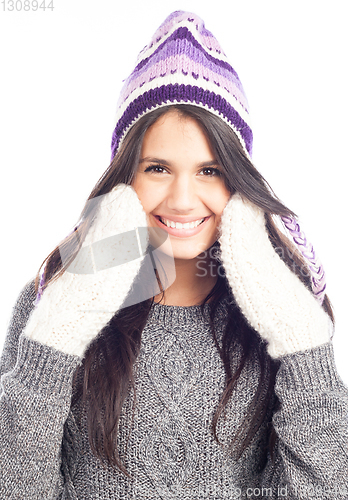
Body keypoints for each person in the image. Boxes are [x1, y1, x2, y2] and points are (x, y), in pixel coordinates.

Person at [0, 10, 347, 499]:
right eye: (158, 168)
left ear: (240, 185)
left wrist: (302, 340)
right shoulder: (50, 300)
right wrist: (56, 338)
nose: (182, 200)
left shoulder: (280, 316)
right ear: (126, 179)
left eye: (209, 171)